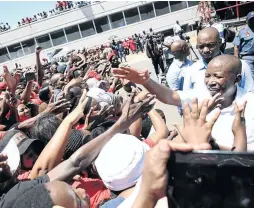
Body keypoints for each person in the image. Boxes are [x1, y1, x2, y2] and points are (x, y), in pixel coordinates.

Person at [113, 54, 254, 151]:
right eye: (207, 76)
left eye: (217, 76)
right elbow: (170, 96)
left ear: (237, 79)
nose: (210, 82)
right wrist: (146, 81)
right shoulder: (200, 95)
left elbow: (246, 154)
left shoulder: (250, 104)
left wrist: (210, 146)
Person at [183, 27, 254, 93]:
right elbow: (186, 99)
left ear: (220, 42)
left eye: (210, 45)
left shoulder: (241, 66)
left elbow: (250, 93)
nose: (205, 50)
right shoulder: (191, 71)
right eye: (201, 47)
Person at [234, 11, 254, 78]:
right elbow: (236, 46)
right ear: (247, 21)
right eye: (251, 19)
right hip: (247, 57)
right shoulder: (241, 32)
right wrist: (236, 60)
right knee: (250, 76)